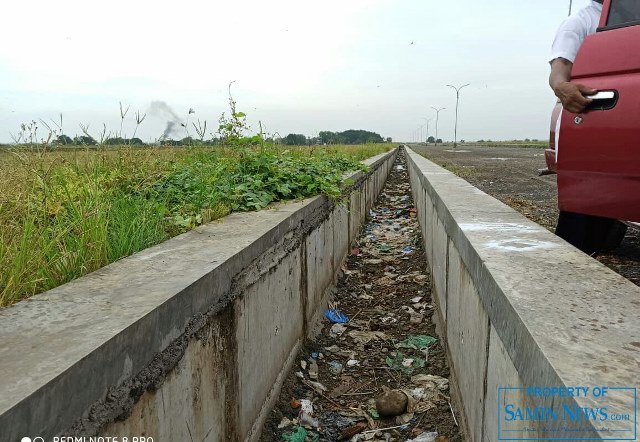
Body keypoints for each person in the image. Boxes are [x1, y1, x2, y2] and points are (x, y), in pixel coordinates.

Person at [548, 0, 604, 113]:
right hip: (587, 114)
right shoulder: (578, 21)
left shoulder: (630, 16)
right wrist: (561, 86)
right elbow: (562, 63)